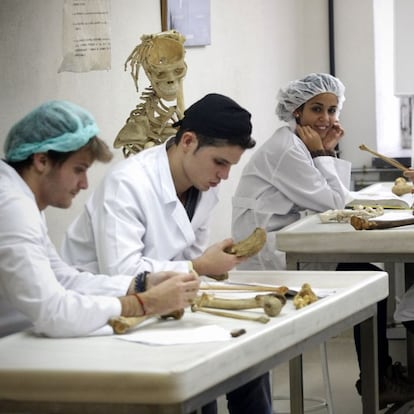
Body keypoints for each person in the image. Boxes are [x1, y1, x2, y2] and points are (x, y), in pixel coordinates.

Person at [61, 93, 273, 414]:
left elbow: (189, 261)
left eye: (231, 166)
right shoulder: (128, 183)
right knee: (204, 382)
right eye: (220, 163)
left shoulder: (203, 188)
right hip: (109, 316)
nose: (224, 176)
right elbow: (122, 273)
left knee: (249, 355)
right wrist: (199, 265)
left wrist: (206, 267)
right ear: (188, 141)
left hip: (163, 309)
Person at [230, 73, 414, 409]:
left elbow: (336, 195)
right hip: (268, 251)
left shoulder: (297, 144)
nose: (327, 119)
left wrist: (323, 151)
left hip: (284, 237)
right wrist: (322, 153)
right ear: (296, 110)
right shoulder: (288, 149)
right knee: (369, 278)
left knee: (369, 275)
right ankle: (380, 380)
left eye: (332, 110)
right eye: (317, 109)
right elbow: (333, 202)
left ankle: (381, 376)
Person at [0, 100, 200, 338]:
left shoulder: (21, 198)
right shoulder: (12, 206)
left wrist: (141, 285)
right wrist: (142, 303)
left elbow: (62, 278)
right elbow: (53, 312)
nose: (84, 184)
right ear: (41, 161)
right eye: (79, 169)